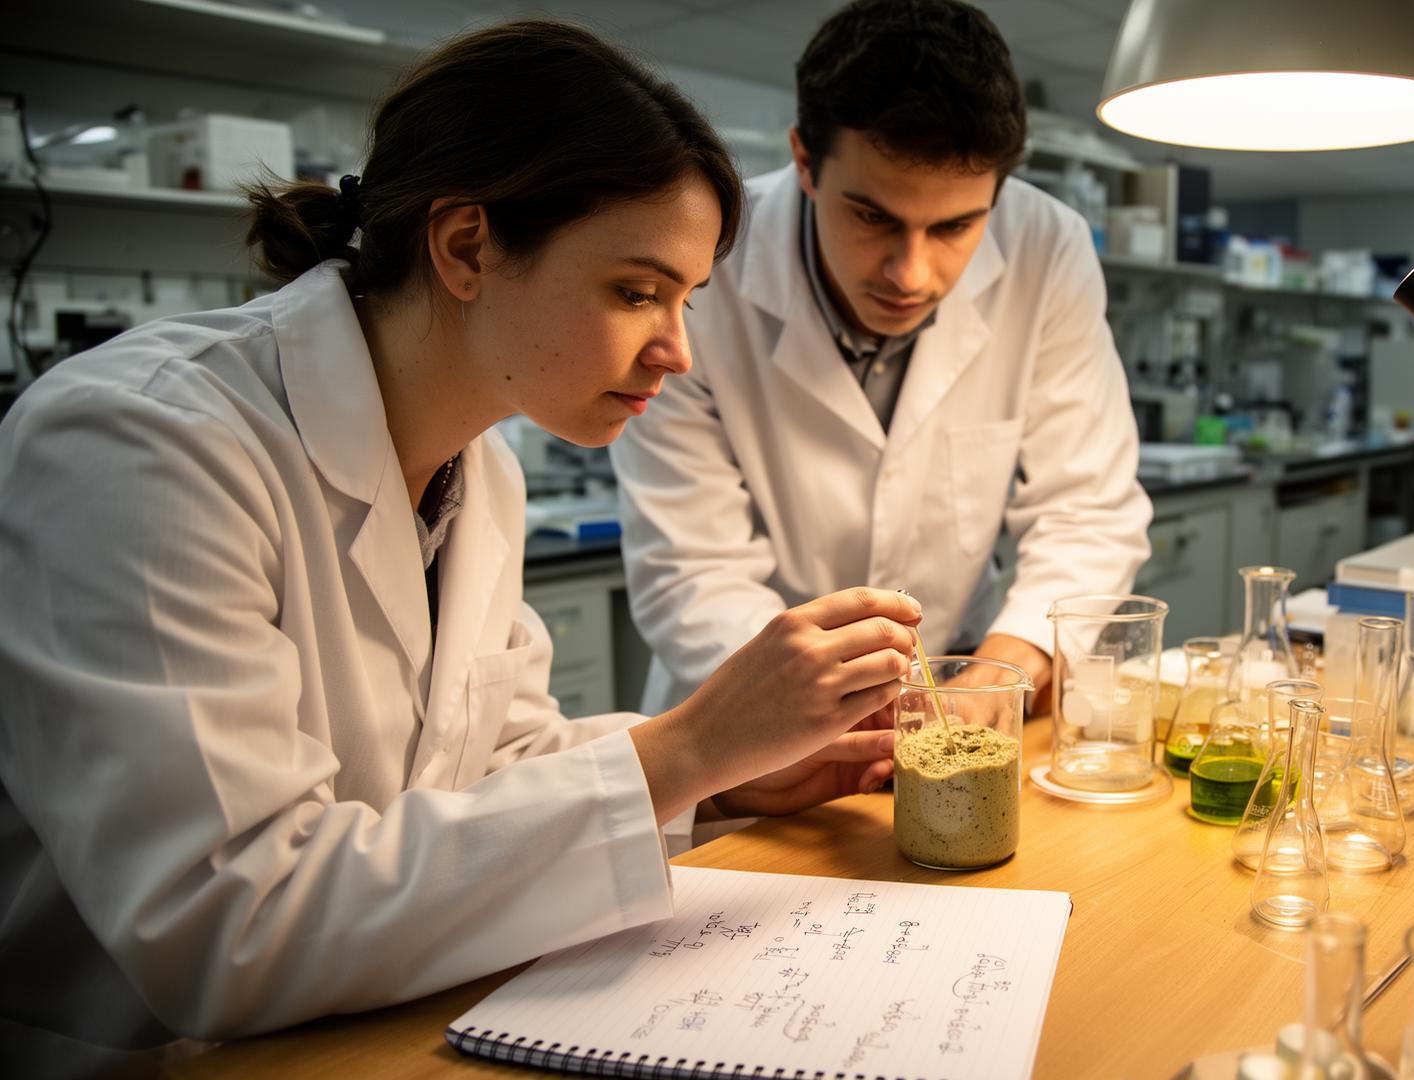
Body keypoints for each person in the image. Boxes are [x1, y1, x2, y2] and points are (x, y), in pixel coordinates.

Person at [0, 22, 921, 1075]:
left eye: (686, 299)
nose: (677, 349)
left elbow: (492, 762)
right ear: (467, 246)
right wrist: (687, 749)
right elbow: (226, 925)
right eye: (636, 291)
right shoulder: (145, 445)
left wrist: (718, 782)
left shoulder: (481, 467)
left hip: (370, 1027)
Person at [613, 0, 1152, 715]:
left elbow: (1086, 509)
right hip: (749, 709)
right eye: (873, 217)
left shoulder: (1045, 249)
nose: (911, 274)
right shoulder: (706, 265)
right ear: (805, 160)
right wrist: (826, 705)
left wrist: (1004, 673)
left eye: (957, 225)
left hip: (963, 683)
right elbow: (691, 566)